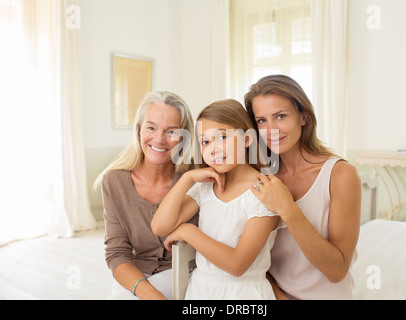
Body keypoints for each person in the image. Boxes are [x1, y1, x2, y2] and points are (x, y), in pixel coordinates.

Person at [245, 75, 361, 300]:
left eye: (280, 116)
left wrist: (287, 209)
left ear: (303, 117)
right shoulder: (260, 177)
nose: (271, 130)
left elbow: (337, 271)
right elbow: (254, 259)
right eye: (261, 121)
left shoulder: (341, 175)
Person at [151, 99, 280, 300]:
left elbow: (237, 265)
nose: (213, 149)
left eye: (222, 137)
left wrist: (187, 230)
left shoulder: (264, 192)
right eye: (205, 141)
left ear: (247, 139)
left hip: (244, 295)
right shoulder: (205, 188)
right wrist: (187, 179)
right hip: (201, 291)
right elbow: (160, 226)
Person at [94, 91, 197, 300]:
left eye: (171, 131)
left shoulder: (197, 175)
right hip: (135, 274)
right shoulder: (113, 181)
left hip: (186, 273)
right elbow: (117, 253)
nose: (159, 139)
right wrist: (148, 293)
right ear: (139, 130)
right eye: (151, 127)